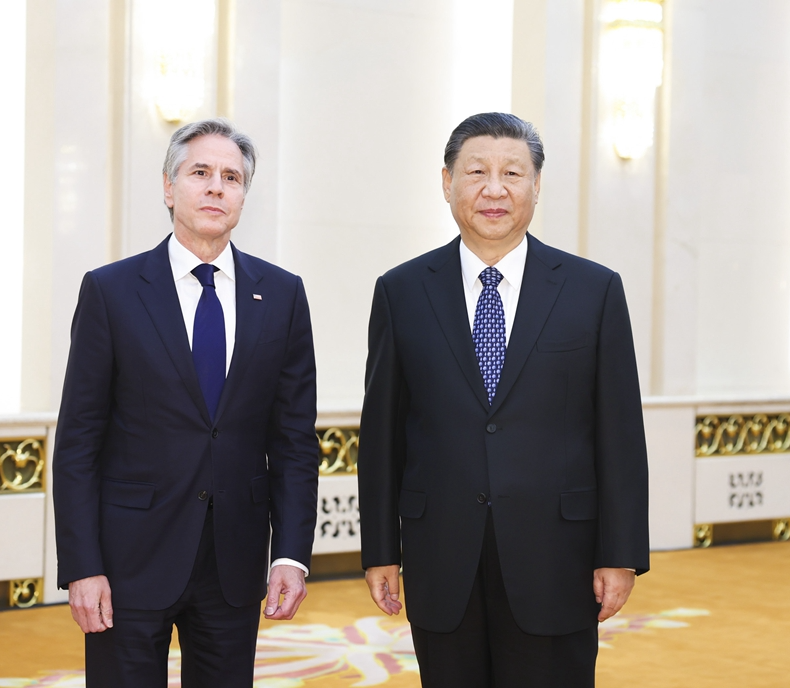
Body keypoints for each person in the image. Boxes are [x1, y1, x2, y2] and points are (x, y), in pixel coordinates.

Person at [358, 112, 649, 688]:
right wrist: (380, 549)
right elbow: (382, 435)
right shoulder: (402, 291)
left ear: (536, 186)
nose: (495, 189)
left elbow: (619, 433)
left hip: (558, 559)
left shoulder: (593, 291)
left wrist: (620, 552)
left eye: (513, 173)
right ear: (447, 182)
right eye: (476, 172)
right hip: (442, 556)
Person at [52, 118, 319, 688]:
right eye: (200, 172)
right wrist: (82, 565)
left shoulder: (282, 295)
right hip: (126, 563)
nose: (217, 187)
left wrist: (291, 554)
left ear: (244, 194)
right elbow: (78, 441)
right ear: (169, 187)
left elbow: (294, 442)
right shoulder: (111, 291)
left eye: (232, 177)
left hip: (234, 565)